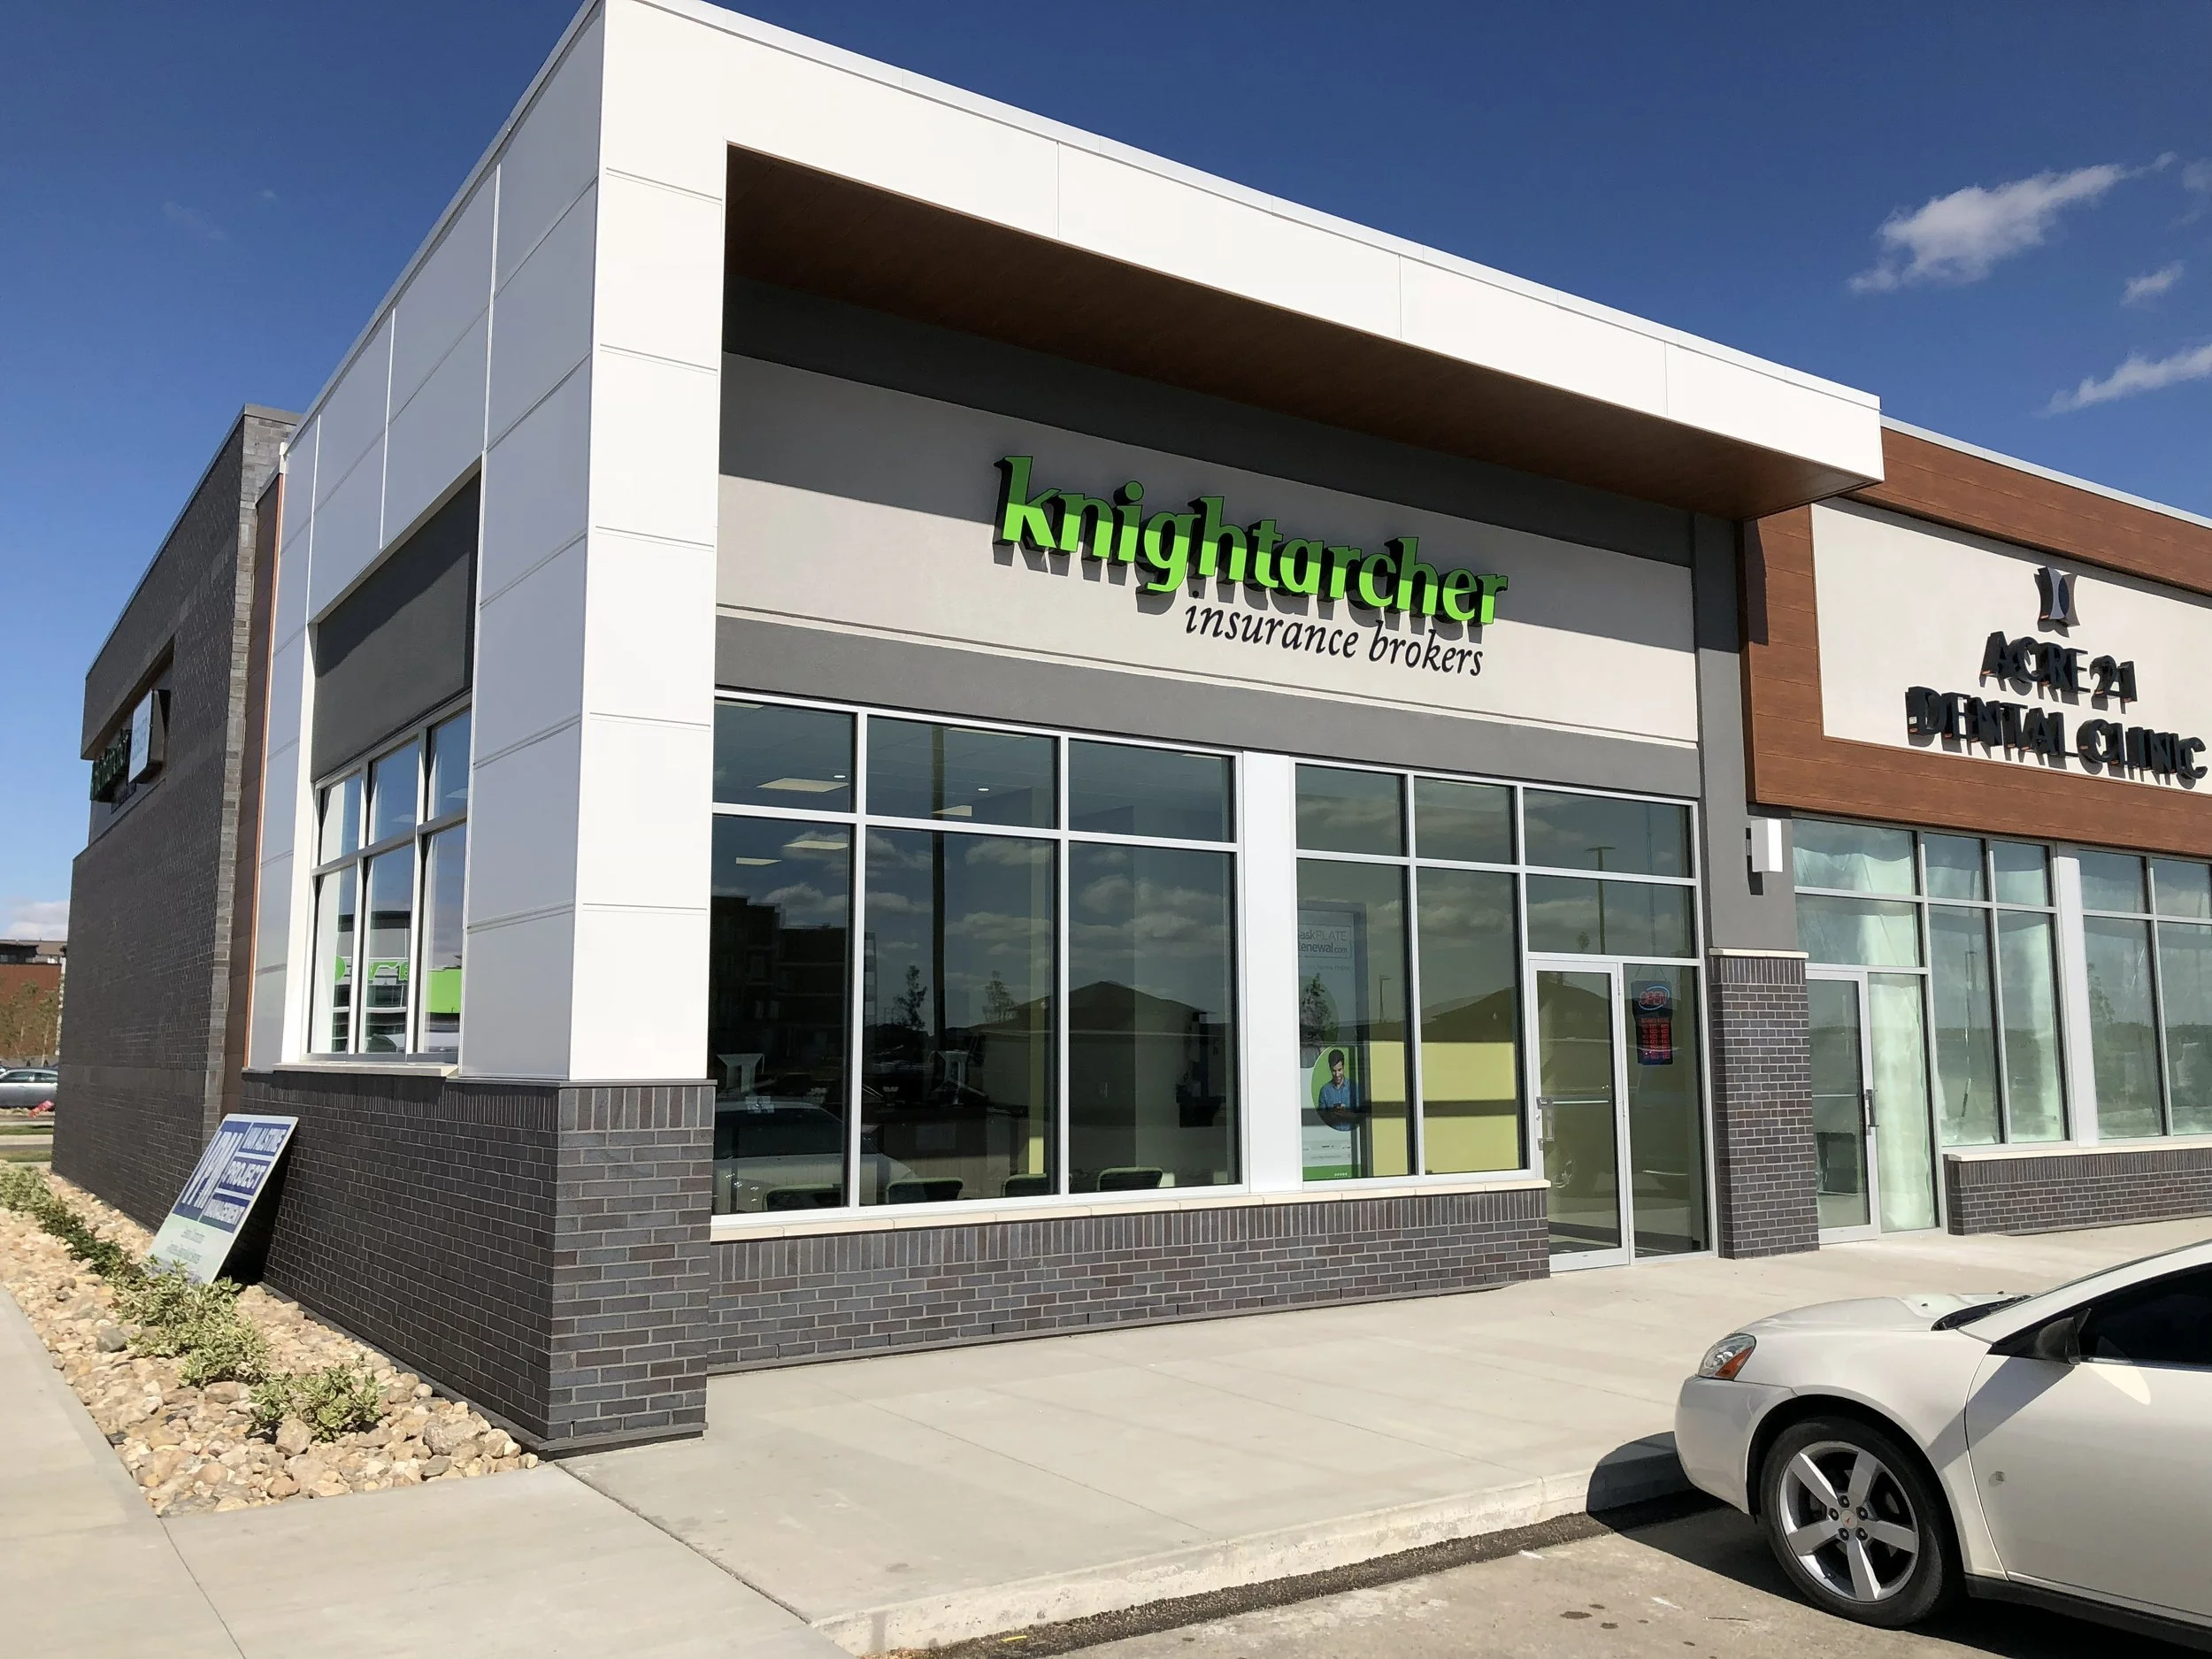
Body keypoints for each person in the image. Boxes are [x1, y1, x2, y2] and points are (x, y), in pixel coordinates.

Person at [1315, 1048, 1360, 1129]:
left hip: (1351, 1135)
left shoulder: (1354, 1088)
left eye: (1339, 1070)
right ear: (1329, 1068)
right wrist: (1332, 1115)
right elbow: (1320, 1120)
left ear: (1344, 1067)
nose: (1337, 1074)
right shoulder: (1324, 1091)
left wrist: (1346, 1114)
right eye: (1334, 1071)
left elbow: (1361, 1117)